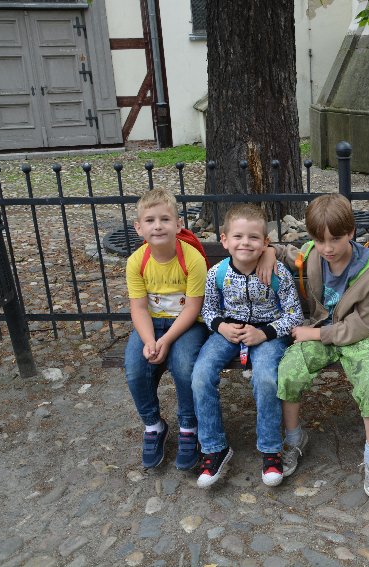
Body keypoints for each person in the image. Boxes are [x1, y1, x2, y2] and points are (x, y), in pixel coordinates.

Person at [275, 193, 369, 499]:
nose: (327, 248)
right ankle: (295, 438)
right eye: (319, 239)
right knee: (289, 369)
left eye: (335, 239)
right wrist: (266, 253)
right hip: (321, 331)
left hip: (357, 337)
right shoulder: (313, 254)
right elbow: (289, 254)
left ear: (351, 232)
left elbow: (363, 325)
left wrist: (315, 335)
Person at [192, 204, 304, 489]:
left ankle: (271, 449)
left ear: (265, 242)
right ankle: (214, 448)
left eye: (253, 237)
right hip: (227, 332)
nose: (245, 243)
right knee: (201, 374)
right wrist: (221, 327)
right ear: (224, 240)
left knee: (266, 378)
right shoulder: (217, 273)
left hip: (268, 333)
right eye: (238, 237)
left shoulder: (278, 273)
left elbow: (294, 316)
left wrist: (264, 333)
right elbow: (208, 310)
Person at [124, 188, 209, 470]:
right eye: (150, 220)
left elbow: (193, 307)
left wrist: (167, 340)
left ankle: (189, 426)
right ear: (139, 228)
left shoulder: (192, 259)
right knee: (135, 367)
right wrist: (150, 341)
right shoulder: (136, 262)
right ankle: (154, 425)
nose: (158, 226)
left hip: (186, 325)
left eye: (165, 219)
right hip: (151, 324)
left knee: (184, 366)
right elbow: (138, 308)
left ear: (178, 224)